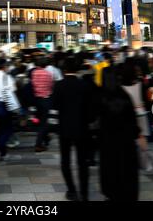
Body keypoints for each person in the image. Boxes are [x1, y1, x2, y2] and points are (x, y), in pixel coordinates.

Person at [52, 56, 92, 201]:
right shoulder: (84, 85)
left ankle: (71, 190)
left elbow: (54, 106)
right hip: (82, 128)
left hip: (64, 128)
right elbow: (91, 109)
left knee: (66, 160)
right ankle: (84, 193)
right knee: (82, 162)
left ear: (64, 70)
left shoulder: (59, 85)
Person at [99, 67, 139, 201]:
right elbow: (134, 124)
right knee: (126, 171)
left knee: (110, 170)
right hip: (126, 143)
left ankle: (111, 193)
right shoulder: (125, 96)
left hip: (108, 142)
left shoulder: (101, 98)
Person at [31, 56, 54, 152]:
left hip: (36, 99)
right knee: (44, 122)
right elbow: (50, 86)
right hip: (46, 99)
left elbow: (33, 85)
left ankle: (46, 137)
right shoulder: (48, 74)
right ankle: (38, 144)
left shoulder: (34, 73)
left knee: (40, 121)